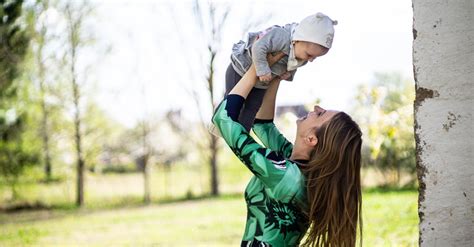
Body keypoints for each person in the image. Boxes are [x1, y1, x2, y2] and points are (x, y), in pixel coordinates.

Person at [212, 54, 363, 246]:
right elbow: (262, 125)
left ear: (311, 139)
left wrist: (254, 70)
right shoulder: (300, 169)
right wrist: (276, 76)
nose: (316, 107)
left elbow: (224, 119)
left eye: (320, 113)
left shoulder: (286, 175)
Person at [225, 12, 338, 131]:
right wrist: (262, 69)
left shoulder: (301, 54)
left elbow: (292, 65)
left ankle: (242, 133)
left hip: (262, 82)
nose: (310, 60)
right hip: (241, 68)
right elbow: (258, 46)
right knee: (234, 104)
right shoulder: (282, 36)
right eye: (309, 55)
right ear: (298, 40)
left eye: (315, 57)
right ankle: (224, 122)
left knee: (253, 107)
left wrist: (287, 74)